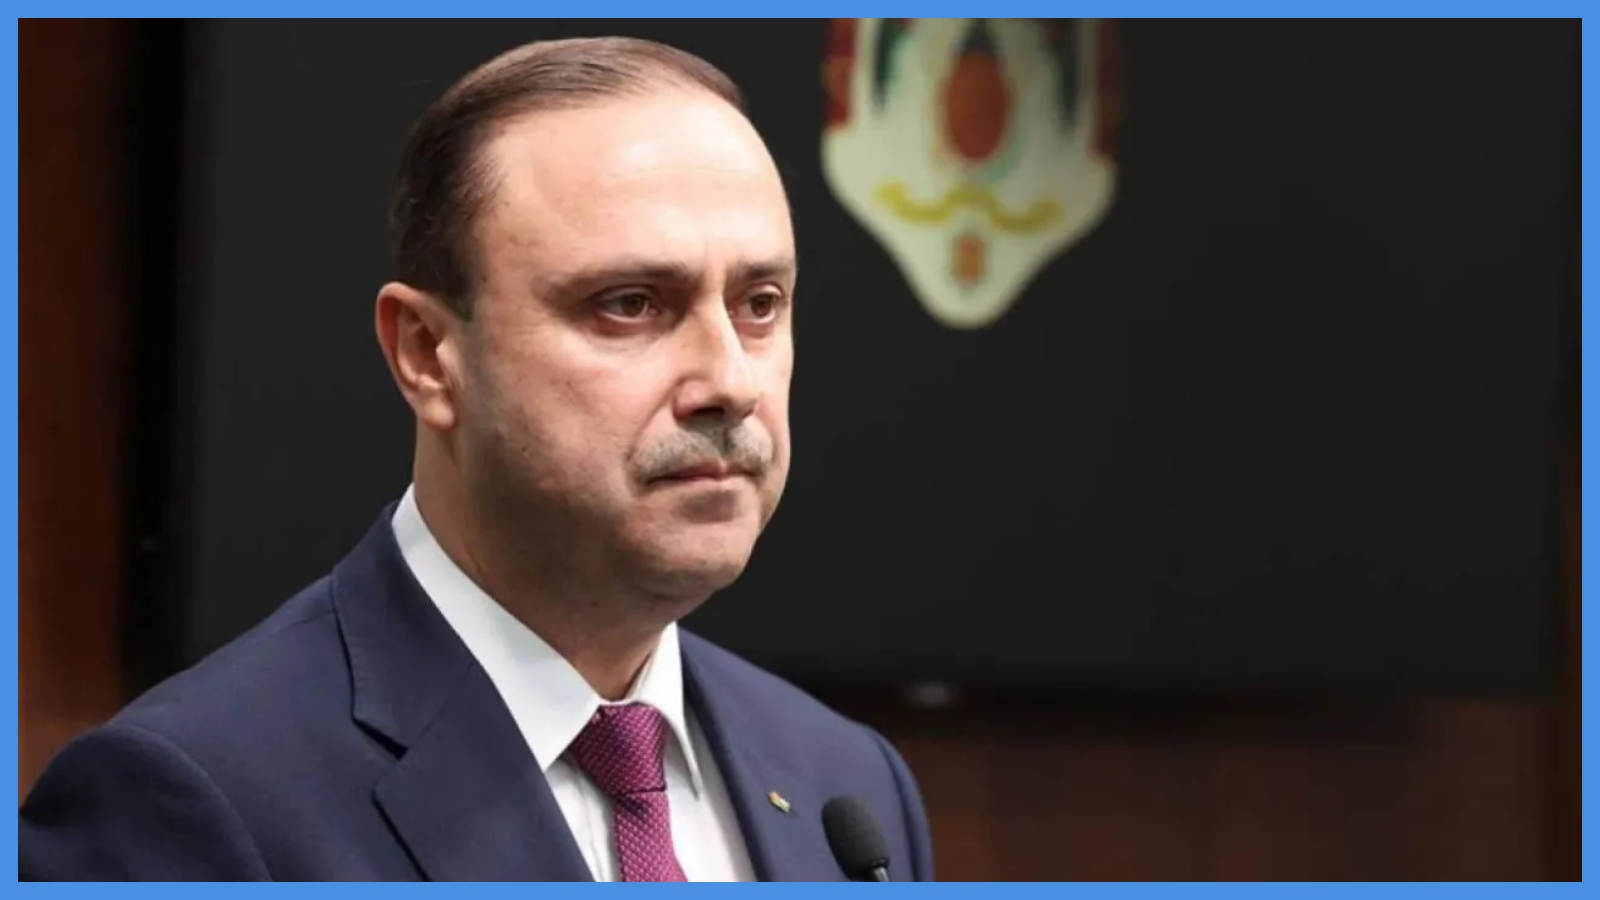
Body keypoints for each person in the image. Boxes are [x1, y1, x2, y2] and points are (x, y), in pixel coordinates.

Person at [19, 36, 934, 882]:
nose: (728, 382)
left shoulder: (847, 785)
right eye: (629, 304)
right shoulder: (190, 803)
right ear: (427, 354)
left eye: (760, 304)